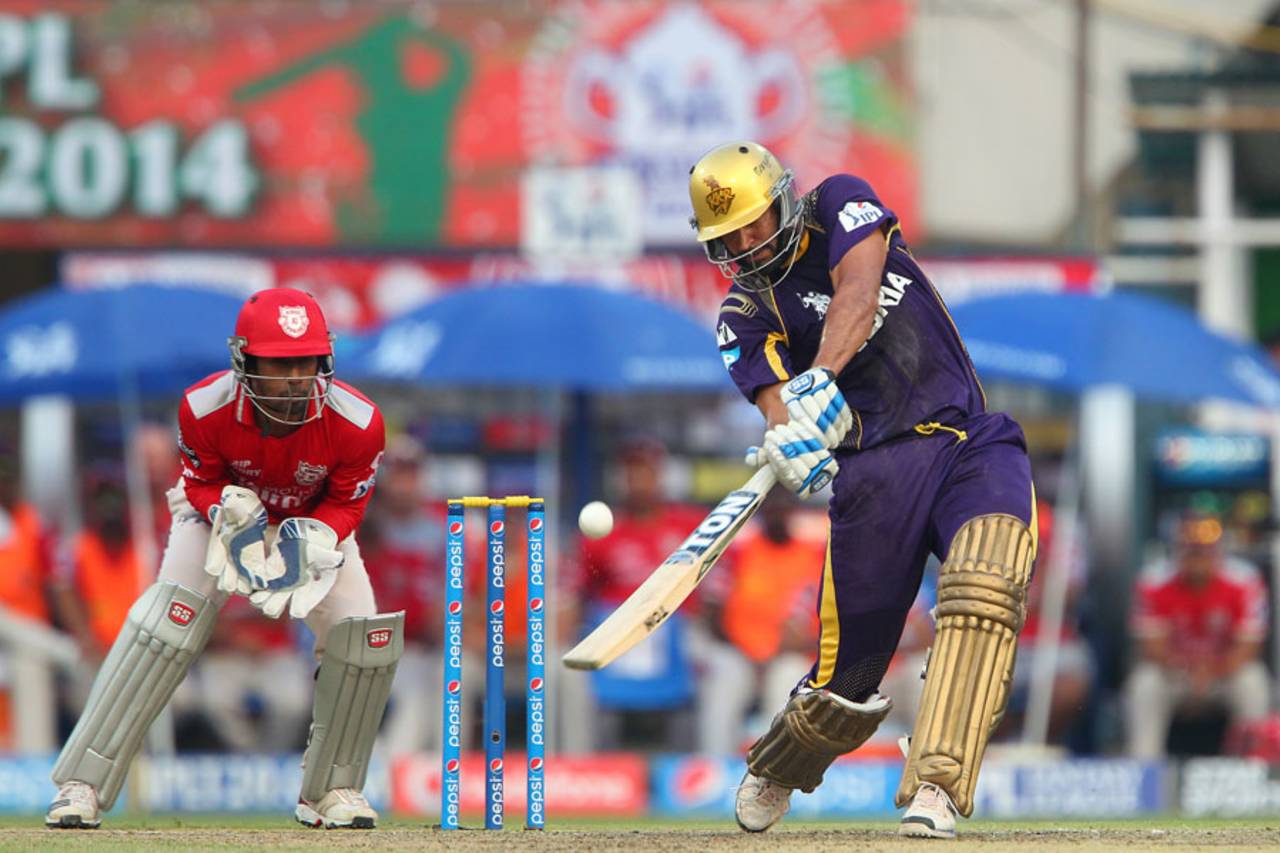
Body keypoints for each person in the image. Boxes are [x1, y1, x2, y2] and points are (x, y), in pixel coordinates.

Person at [690, 141, 1037, 838]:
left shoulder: (838, 203)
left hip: (966, 437)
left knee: (987, 582)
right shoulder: (741, 319)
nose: (749, 247)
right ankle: (781, 763)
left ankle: (937, 782)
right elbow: (780, 405)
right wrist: (793, 437)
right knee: (846, 679)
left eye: (756, 225)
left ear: (783, 201)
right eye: (730, 240)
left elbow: (858, 286)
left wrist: (820, 374)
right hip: (874, 473)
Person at [46, 287, 398, 831]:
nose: (296, 378)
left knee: (363, 638)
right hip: (221, 518)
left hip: (312, 525)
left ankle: (333, 791)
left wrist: (309, 541)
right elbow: (202, 482)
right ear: (245, 359)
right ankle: (83, 783)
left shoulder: (359, 421)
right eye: (280, 364)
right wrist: (233, 521)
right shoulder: (202, 407)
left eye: (306, 362)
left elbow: (348, 502)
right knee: (163, 627)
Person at [1124, 512, 1270, 758]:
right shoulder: (1154, 580)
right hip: (1176, 673)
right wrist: (1188, 669)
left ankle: (1252, 767)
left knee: (1252, 681)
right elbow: (1151, 647)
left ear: (1218, 552)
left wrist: (1212, 670)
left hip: (1224, 673)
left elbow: (1249, 647)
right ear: (1178, 550)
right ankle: (1145, 766)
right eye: (1191, 551)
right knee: (1145, 683)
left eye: (1204, 551)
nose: (1198, 558)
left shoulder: (1244, 580)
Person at [700, 489, 824, 755]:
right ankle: (714, 769)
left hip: (789, 657)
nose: (778, 514)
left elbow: (827, 623)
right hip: (740, 654)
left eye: (784, 507)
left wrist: (784, 654)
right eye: (772, 508)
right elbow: (711, 612)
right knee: (725, 675)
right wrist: (746, 654)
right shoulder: (739, 551)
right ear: (762, 512)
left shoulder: (813, 556)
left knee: (788, 677)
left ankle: (772, 776)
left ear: (793, 511)